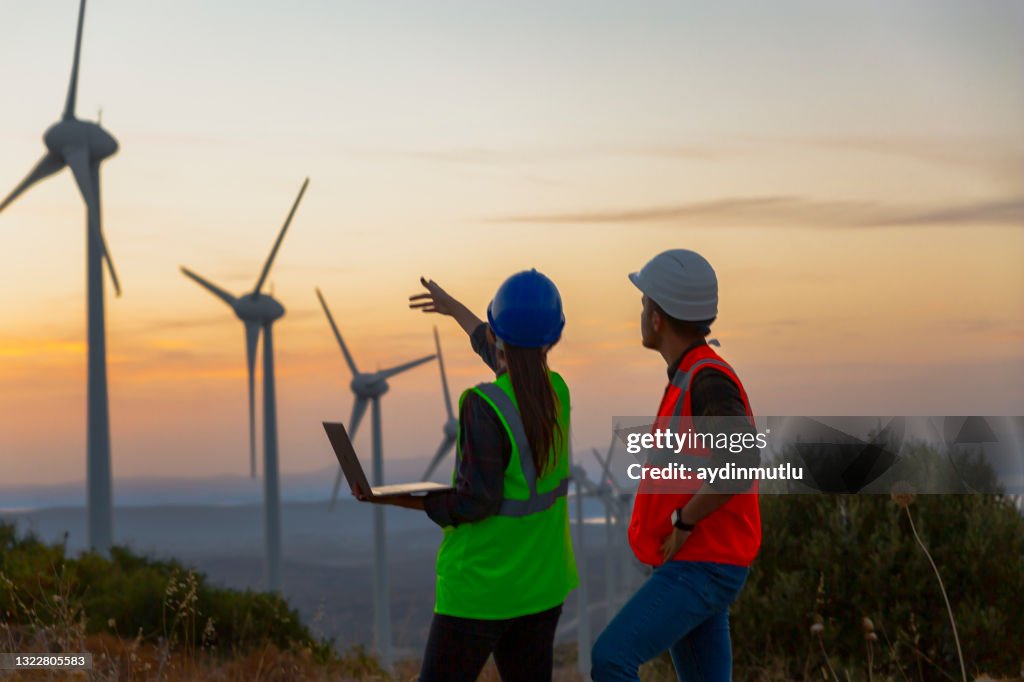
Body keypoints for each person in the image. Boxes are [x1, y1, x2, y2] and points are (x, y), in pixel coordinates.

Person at [357, 270, 578, 682]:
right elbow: (511, 355)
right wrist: (455, 309)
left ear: (497, 338)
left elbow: (474, 502)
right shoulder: (558, 393)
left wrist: (396, 497)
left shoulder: (484, 405)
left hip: (481, 589)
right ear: (554, 338)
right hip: (543, 586)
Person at [590, 249, 761, 682]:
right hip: (703, 561)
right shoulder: (692, 373)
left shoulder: (707, 379)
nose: (641, 311)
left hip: (703, 563)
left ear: (659, 318)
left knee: (611, 658)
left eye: (644, 302)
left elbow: (740, 462)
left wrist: (683, 521)